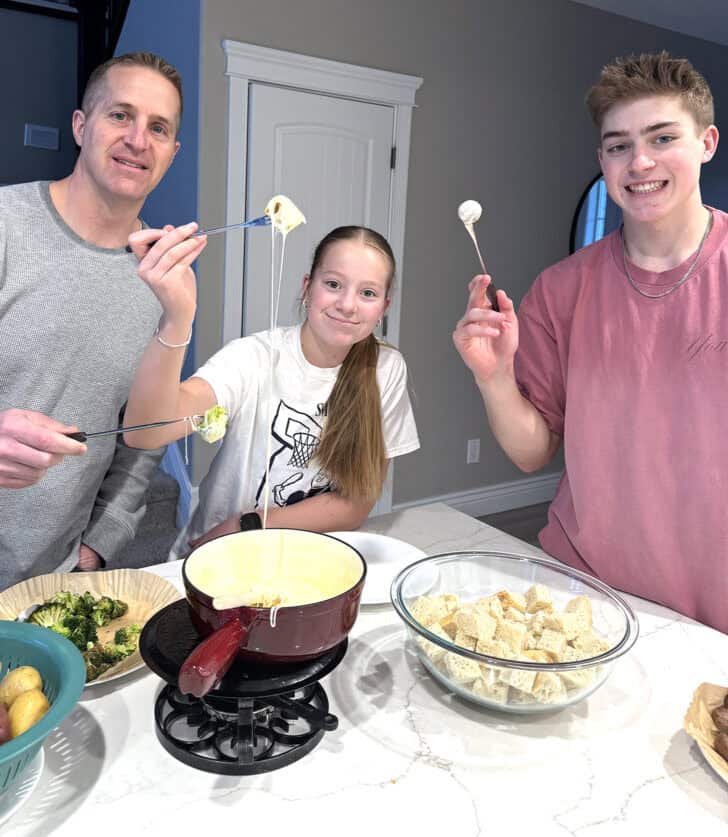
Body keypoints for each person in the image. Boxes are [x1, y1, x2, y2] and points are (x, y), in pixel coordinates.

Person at [453, 51, 728, 634]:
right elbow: (533, 452)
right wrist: (494, 377)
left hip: (713, 614)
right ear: (602, 158)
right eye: (619, 144)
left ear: (707, 142)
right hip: (579, 593)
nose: (640, 161)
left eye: (662, 137)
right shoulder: (561, 289)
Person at [0, 52, 184, 589]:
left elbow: (141, 435)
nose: (137, 140)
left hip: (54, 581)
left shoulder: (160, 279)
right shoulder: (7, 228)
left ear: (172, 153)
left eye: (158, 127)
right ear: (82, 126)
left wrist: (100, 543)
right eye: (120, 115)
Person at [124, 224, 420, 556]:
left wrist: (249, 524)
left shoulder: (386, 368)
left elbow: (355, 505)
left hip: (308, 562)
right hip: (217, 559)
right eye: (333, 284)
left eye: (368, 293)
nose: (348, 304)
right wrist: (177, 317)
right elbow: (146, 432)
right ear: (308, 288)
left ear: (384, 307)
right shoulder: (253, 357)